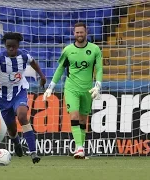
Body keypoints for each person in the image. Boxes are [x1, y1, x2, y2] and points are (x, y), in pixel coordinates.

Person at [0, 32, 46, 164]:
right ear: (5, 46)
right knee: (12, 129)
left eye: (13, 46)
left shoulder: (23, 55)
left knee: (22, 116)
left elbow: (33, 62)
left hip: (19, 92)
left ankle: (33, 152)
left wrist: (42, 75)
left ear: (18, 45)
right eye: (8, 46)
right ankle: (16, 142)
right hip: (3, 97)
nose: (11, 49)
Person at [43, 22, 103, 159]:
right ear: (73, 33)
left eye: (81, 32)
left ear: (86, 32)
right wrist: (50, 88)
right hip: (71, 88)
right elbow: (60, 69)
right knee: (74, 116)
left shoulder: (95, 49)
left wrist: (98, 85)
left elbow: (99, 68)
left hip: (88, 89)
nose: (79, 35)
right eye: (77, 32)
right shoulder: (68, 50)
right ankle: (79, 148)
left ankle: (80, 149)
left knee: (83, 119)